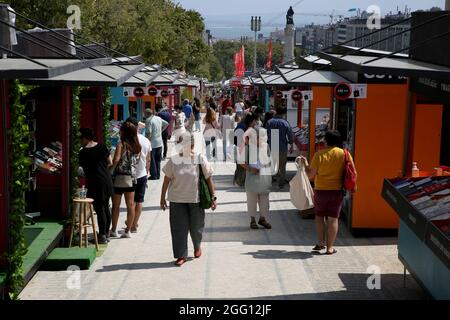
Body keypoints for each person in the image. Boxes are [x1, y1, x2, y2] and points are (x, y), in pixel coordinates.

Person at [160, 131, 217, 266]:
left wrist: (213, 197)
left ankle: (197, 246)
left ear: (192, 144)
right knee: (178, 229)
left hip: (195, 200)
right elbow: (166, 180)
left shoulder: (199, 158)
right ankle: (181, 255)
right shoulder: (173, 160)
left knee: (196, 227)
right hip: (176, 200)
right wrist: (162, 198)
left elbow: (209, 179)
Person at [302, 130, 356, 255]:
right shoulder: (345, 154)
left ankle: (321, 243)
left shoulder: (319, 155)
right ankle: (330, 248)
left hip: (321, 191)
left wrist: (305, 164)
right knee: (333, 219)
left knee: (319, 217)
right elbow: (353, 172)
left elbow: (310, 176)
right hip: (337, 191)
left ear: (326, 140)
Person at [79, 128, 114, 244]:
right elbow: (110, 162)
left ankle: (102, 235)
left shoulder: (83, 152)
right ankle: (106, 233)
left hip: (95, 182)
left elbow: (81, 170)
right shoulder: (102, 147)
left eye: (81, 138)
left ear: (85, 138)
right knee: (105, 206)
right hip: (106, 180)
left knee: (99, 209)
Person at [239, 114, 273, 230]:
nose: (263, 139)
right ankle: (252, 220)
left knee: (264, 200)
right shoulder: (248, 147)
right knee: (252, 200)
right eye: (260, 137)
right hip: (252, 178)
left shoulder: (266, 146)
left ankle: (263, 219)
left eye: (264, 137)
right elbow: (241, 162)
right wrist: (250, 168)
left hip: (264, 178)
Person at [110, 122, 141, 239]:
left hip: (119, 177)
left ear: (124, 132)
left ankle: (113, 230)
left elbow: (116, 159)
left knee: (116, 206)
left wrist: (110, 170)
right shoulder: (137, 146)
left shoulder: (121, 144)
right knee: (131, 205)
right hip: (131, 178)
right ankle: (127, 230)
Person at [124, 117, 151, 233]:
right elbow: (148, 160)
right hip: (142, 174)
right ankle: (134, 224)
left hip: (130, 175)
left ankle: (129, 225)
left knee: (131, 202)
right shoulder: (145, 140)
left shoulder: (127, 140)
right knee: (139, 200)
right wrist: (147, 172)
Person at [266, 106, 294, 189]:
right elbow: (289, 134)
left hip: (272, 145)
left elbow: (266, 134)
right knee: (282, 165)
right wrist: (291, 144)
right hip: (282, 146)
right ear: (284, 113)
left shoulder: (269, 122)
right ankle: (281, 183)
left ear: (276, 112)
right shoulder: (285, 123)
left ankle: (270, 180)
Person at [145, 108, 169, 180]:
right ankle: (158, 174)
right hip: (159, 142)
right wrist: (160, 131)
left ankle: (154, 175)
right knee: (158, 160)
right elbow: (166, 124)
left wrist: (147, 141)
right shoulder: (158, 118)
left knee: (152, 160)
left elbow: (149, 132)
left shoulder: (148, 120)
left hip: (152, 143)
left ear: (147, 114)